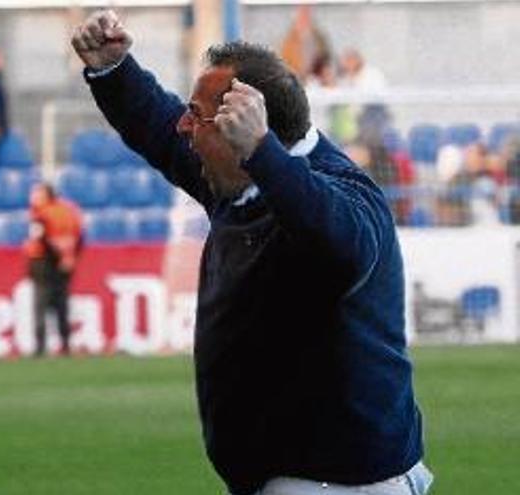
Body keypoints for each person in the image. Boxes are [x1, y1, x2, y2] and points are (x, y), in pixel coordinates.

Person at [72, 10, 432, 495]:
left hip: (339, 483)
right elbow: (159, 126)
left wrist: (262, 153)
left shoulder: (345, 192)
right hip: (291, 475)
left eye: (197, 115)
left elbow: (339, 245)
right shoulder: (237, 179)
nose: (183, 125)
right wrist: (114, 68)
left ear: (245, 126)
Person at [23, 183, 83, 356]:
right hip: (65, 263)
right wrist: (69, 257)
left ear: (46, 195)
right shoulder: (69, 210)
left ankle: (40, 347)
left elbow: (42, 238)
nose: (33, 196)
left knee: (40, 304)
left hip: (43, 262)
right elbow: (80, 235)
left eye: (36, 192)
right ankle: (65, 344)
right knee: (61, 304)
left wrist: (57, 256)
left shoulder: (40, 213)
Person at [280, 5, 330, 83]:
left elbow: (325, 57)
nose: (305, 20)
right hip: (297, 80)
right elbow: (285, 64)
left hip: (316, 81)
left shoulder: (319, 37)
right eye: (302, 17)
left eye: (307, 16)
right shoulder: (289, 41)